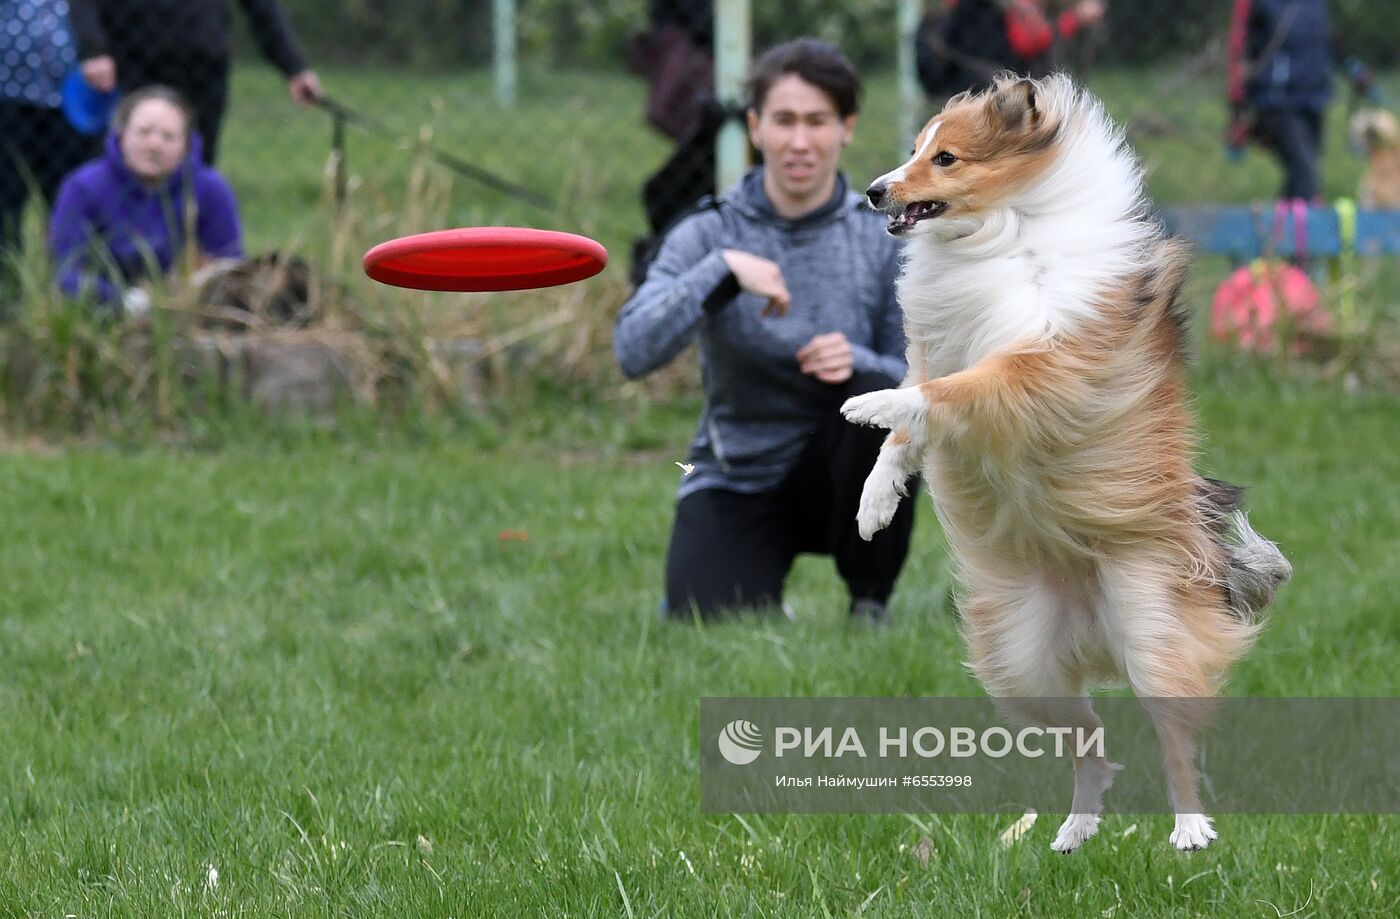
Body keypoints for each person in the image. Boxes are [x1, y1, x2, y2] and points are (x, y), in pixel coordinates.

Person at [615, 38, 915, 623]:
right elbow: (632, 349)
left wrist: (858, 362)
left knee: (882, 417)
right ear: (754, 127)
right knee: (703, 619)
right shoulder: (708, 232)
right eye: (783, 121)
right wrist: (721, 272)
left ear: (846, 127)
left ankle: (869, 603)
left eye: (817, 121)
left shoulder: (881, 240)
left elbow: (925, 381)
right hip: (736, 472)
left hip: (842, 464)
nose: (799, 142)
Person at [49, 84, 244, 312]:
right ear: (122, 137)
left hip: (189, 311)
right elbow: (66, 272)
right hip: (101, 311)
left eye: (168, 137)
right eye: (143, 132)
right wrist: (127, 302)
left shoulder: (211, 189)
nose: (154, 145)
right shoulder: (82, 187)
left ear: (186, 144)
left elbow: (230, 267)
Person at [67, 0, 323, 165]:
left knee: (196, 165)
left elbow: (261, 8)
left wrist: (294, 67)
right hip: (132, 65)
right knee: (129, 159)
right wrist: (93, 49)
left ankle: (191, 244)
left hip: (202, 69)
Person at [0, 0, 99, 266]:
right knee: (6, 199)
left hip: (75, 99)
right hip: (8, 95)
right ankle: (8, 279)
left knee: (68, 196)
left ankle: (69, 277)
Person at [1226, 0, 1339, 204]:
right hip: (1276, 102)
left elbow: (1325, 38)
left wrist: (1352, 66)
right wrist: (1237, 111)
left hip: (1314, 97)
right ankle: (1305, 229)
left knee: (1302, 175)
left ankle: (1283, 229)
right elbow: (1238, 50)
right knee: (1305, 176)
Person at [916, 0, 1106, 100]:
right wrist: (1076, 18)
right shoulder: (1007, 9)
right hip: (981, 81)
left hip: (966, 79)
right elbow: (1031, 41)